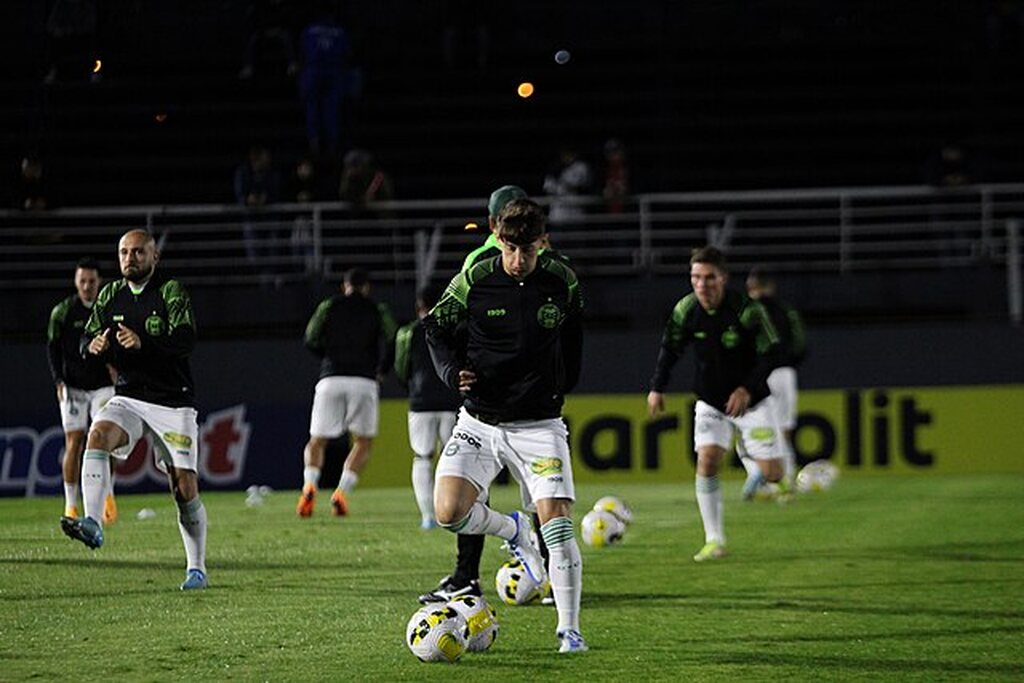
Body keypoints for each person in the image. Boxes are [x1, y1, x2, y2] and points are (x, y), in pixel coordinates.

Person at [423, 198, 588, 653]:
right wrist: (451, 371)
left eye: (527, 251)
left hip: (539, 425)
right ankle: (514, 530)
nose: (518, 261)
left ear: (543, 242)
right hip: (479, 421)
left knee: (557, 527)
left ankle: (569, 630)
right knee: (448, 514)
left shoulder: (562, 281)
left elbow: (574, 335)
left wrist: (561, 386)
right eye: (511, 249)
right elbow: (434, 327)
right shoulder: (476, 278)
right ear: (499, 240)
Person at [61, 229, 208, 591]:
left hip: (173, 400)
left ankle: (196, 568)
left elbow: (185, 340)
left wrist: (145, 342)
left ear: (154, 256)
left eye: (138, 252)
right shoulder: (111, 293)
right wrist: (91, 346)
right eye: (124, 252)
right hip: (129, 396)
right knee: (96, 435)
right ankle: (93, 522)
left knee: (184, 487)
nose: (130, 258)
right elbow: (87, 337)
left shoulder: (170, 290)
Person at [647, 246, 783, 562]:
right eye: (696, 277)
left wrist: (746, 390)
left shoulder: (747, 310)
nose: (702, 285)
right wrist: (657, 388)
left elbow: (772, 352)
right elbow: (670, 349)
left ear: (723, 278)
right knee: (707, 461)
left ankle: (747, 449)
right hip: (710, 401)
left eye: (709, 278)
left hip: (752, 404)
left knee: (774, 475)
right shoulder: (686, 309)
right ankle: (714, 539)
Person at [297, 268, 396, 517]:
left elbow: (310, 337)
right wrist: (382, 369)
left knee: (317, 441)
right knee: (363, 442)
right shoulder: (377, 309)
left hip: (331, 379)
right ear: (367, 287)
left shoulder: (329, 306)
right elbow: (394, 337)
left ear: (345, 286)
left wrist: (328, 359)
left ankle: (309, 486)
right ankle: (341, 492)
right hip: (363, 381)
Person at [47, 258, 117, 524]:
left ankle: (108, 496)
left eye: (91, 281)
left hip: (103, 387)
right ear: (76, 282)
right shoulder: (63, 311)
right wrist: (58, 380)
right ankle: (71, 505)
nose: (87, 286)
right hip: (74, 387)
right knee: (74, 443)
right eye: (82, 281)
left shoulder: (107, 308)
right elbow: (52, 347)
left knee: (104, 441)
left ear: (99, 282)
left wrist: (115, 365)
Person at [394, 283, 461, 530]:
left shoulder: (408, 332)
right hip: (450, 401)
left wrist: (411, 388)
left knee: (422, 457)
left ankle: (428, 516)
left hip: (420, 402)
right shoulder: (452, 328)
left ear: (418, 306)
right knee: (454, 457)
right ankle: (453, 512)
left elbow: (401, 367)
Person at [744, 267, 807, 498]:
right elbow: (801, 343)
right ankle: (786, 479)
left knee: (759, 428)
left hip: (759, 374)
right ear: (771, 286)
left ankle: (761, 475)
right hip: (784, 372)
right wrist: (788, 360)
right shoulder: (786, 310)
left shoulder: (748, 311)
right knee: (785, 429)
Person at [543, 147, 592, 226]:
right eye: (564, 154)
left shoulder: (581, 167)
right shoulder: (554, 169)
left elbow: (578, 186)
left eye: (568, 154)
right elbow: (547, 188)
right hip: (558, 214)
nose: (566, 157)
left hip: (576, 214)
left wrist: (561, 182)